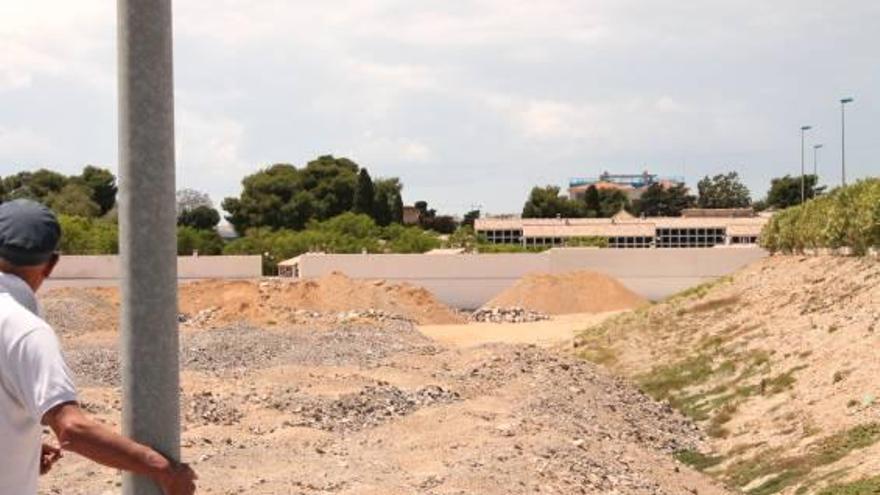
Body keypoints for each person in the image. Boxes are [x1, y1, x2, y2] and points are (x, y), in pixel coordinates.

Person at [0, 199, 196, 494]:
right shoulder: (26, 330)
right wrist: (160, 467)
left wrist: (19, 447)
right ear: (51, 264)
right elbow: (72, 430)